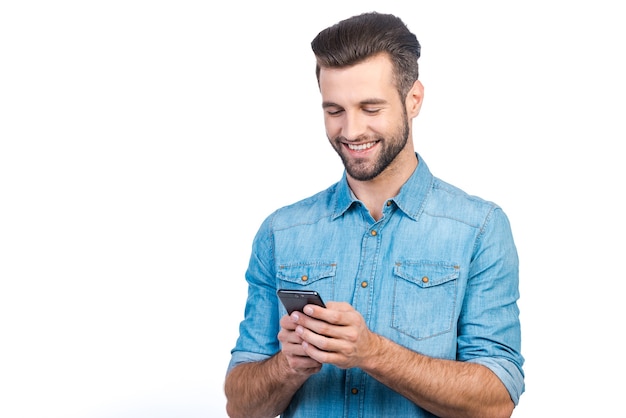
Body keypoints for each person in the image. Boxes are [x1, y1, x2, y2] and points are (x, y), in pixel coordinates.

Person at [224, 11, 524, 418]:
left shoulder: (480, 229)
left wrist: (373, 353)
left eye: (370, 108)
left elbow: (496, 400)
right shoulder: (281, 232)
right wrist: (286, 366)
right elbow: (240, 406)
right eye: (334, 111)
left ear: (413, 99)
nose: (350, 130)